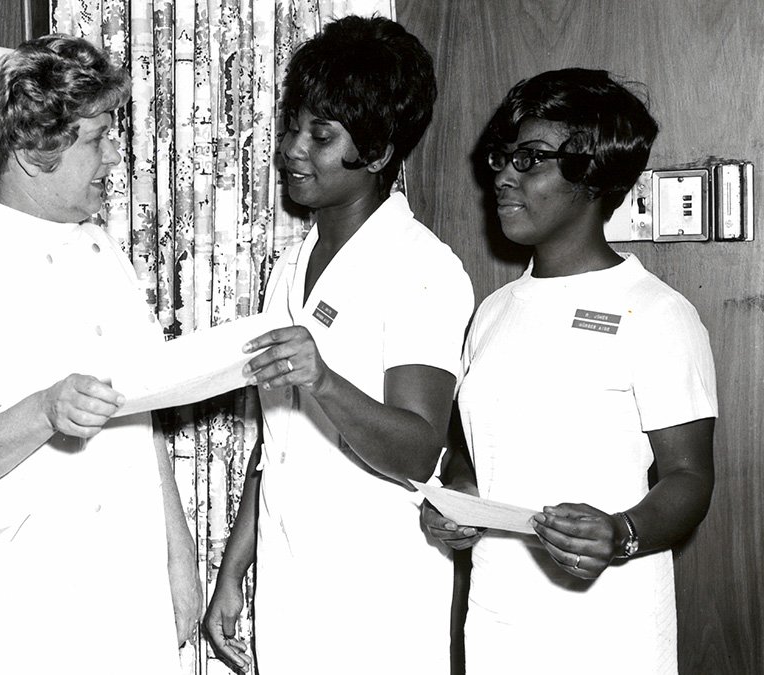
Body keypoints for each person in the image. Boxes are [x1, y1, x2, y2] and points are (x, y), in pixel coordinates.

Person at [0, 34, 201, 675]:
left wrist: (177, 556)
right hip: (26, 601)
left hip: (125, 581)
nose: (112, 155)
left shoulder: (105, 254)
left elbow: (142, 420)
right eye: (97, 136)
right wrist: (45, 411)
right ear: (34, 149)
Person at [202, 15, 474, 674]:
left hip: (378, 594)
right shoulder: (288, 268)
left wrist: (323, 379)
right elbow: (279, 440)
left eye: (321, 135)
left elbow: (417, 447)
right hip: (294, 576)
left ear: (378, 153)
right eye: (293, 125)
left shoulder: (422, 269)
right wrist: (234, 570)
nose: (294, 148)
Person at [422, 68, 717, 675]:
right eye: (502, 156)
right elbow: (481, 460)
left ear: (592, 174)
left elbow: (690, 478)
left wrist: (623, 532)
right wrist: (460, 502)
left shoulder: (658, 313)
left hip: (610, 631)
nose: (502, 174)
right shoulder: (493, 311)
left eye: (530, 159)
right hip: (498, 622)